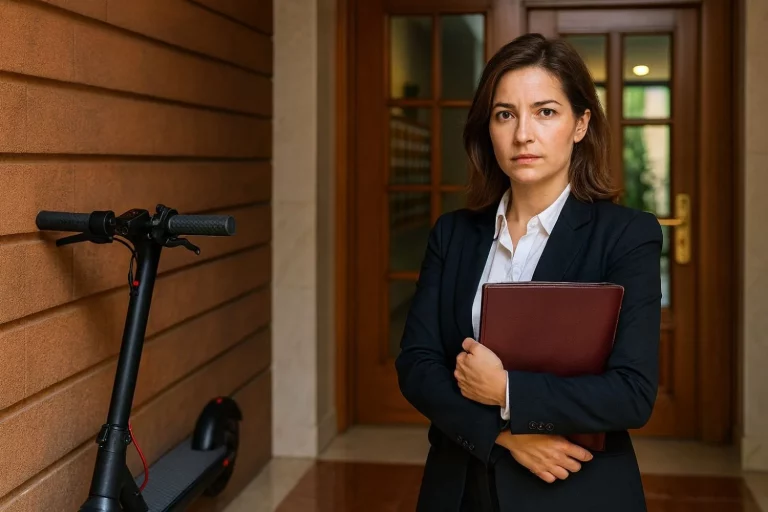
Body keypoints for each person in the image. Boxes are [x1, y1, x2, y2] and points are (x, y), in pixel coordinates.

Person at [394, 32, 661, 512]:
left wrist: (508, 391)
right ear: (487, 128)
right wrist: (500, 433)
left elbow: (632, 393)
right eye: (505, 114)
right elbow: (416, 366)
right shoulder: (453, 234)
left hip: (573, 488)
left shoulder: (627, 236)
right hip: (458, 487)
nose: (523, 134)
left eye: (545, 111)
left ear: (580, 124)